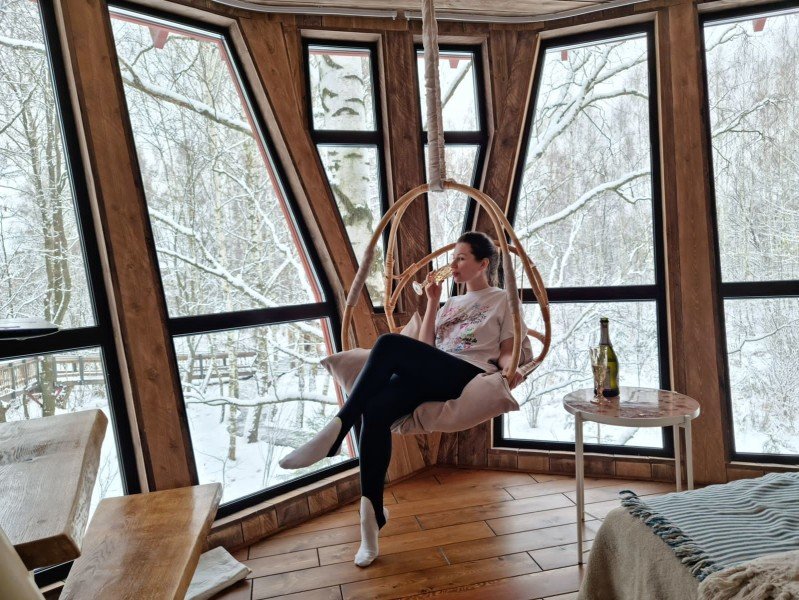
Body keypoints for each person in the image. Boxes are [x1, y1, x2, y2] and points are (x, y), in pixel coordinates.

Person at [279, 231, 524, 567]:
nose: (453, 264)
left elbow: (508, 349)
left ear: (483, 264)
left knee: (389, 344)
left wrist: (512, 370)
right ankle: (372, 518)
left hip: (466, 373)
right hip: (434, 370)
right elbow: (425, 348)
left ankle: (337, 428)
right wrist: (433, 302)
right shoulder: (451, 304)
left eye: (461, 258)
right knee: (375, 410)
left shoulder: (502, 300)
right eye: (453, 257)